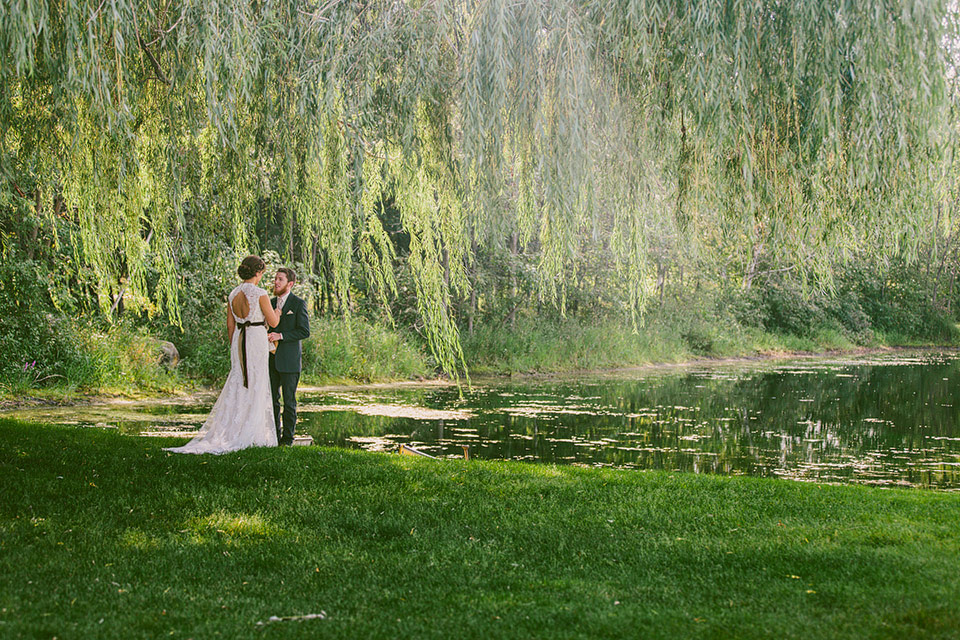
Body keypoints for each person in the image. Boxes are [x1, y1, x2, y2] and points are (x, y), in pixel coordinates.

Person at [165, 256, 280, 454]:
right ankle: (252, 433)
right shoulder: (260, 293)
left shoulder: (233, 294)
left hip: (238, 340)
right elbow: (274, 322)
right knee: (256, 381)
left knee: (239, 380)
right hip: (255, 339)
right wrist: (277, 312)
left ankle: (233, 429)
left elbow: (230, 325)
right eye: (262, 273)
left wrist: (234, 346)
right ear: (257, 272)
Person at [268, 267, 310, 446]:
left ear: (290, 284)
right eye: (275, 278)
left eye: (280, 279)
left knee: (289, 402)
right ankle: (274, 437)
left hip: (290, 361)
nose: (276, 282)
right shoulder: (269, 303)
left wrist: (281, 335)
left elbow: (304, 331)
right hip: (270, 359)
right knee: (271, 401)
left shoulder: (298, 304)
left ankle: (287, 439)